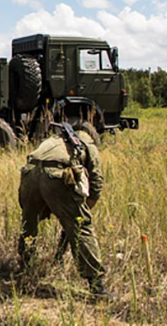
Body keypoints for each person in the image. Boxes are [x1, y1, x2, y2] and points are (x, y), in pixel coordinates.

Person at [17, 125, 111, 298]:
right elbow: (96, 183)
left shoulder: (55, 140)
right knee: (81, 227)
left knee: (29, 224)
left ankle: (25, 269)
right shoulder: (88, 144)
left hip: (30, 173)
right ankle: (97, 285)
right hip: (55, 174)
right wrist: (79, 215)